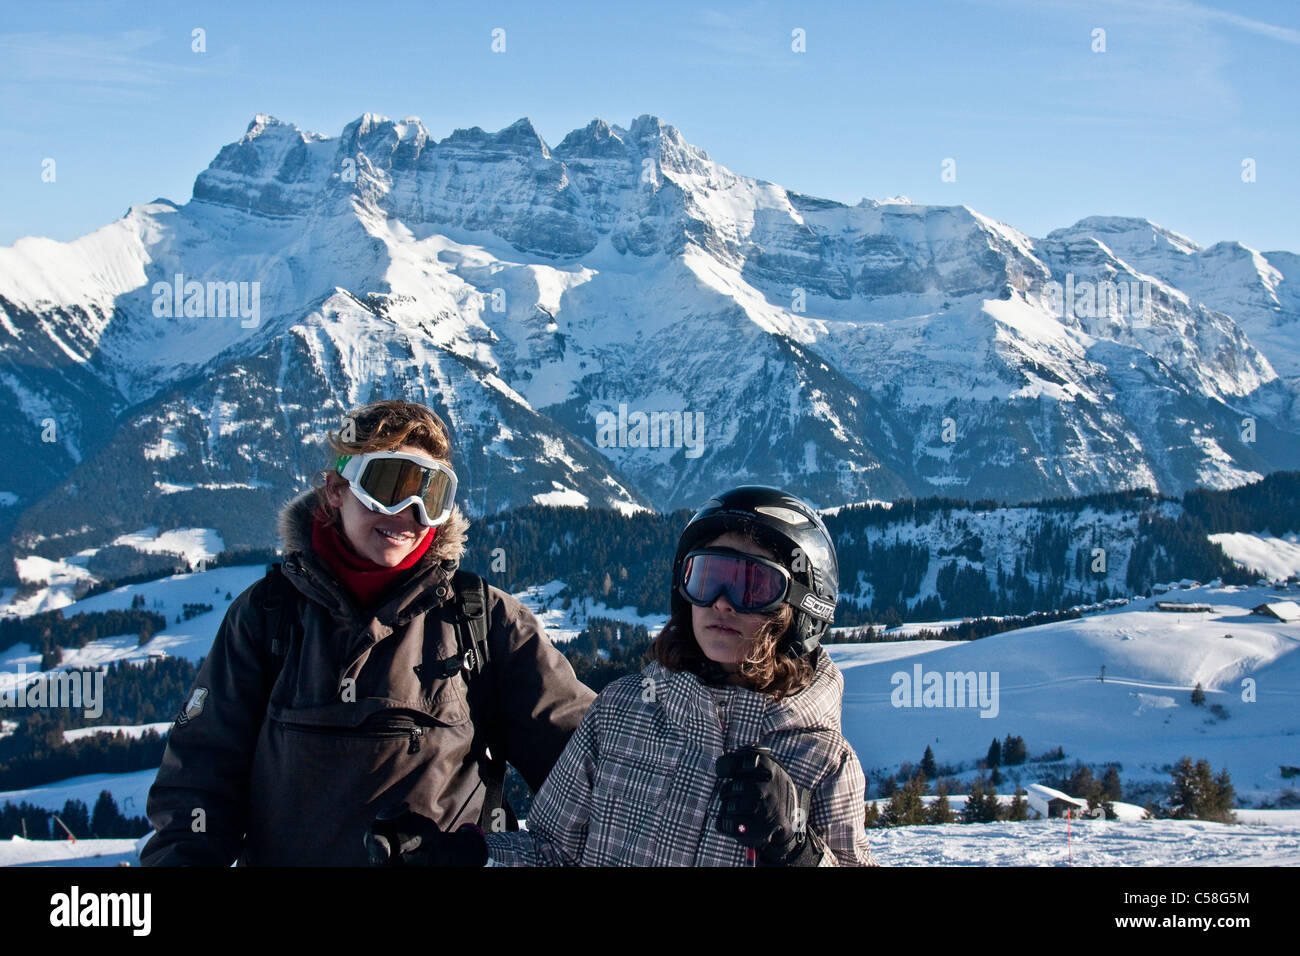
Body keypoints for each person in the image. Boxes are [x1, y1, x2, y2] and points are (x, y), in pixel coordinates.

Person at [141, 399, 595, 865]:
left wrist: (484, 852)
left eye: (431, 496)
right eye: (389, 485)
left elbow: (593, 769)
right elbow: (196, 791)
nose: (409, 514)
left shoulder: (481, 621)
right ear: (336, 488)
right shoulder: (268, 616)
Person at [366, 485, 877, 867]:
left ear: (801, 607)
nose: (721, 601)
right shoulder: (624, 712)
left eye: (753, 585)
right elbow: (552, 850)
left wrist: (798, 852)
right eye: (707, 577)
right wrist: (464, 855)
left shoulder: (822, 761)